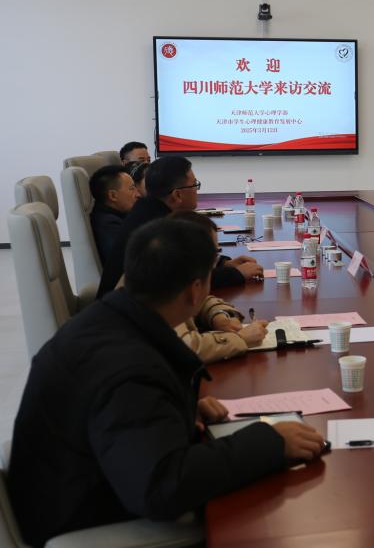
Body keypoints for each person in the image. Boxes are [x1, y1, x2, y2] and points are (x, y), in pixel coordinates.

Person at [8, 219, 326, 547]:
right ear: (196, 290)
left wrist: (178, 405)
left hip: (76, 488)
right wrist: (271, 441)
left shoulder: (107, 319)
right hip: (85, 520)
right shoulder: (130, 371)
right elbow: (161, 487)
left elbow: (122, 422)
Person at [97, 156, 261, 298]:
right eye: (194, 185)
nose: (196, 190)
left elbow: (188, 263)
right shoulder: (160, 228)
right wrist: (237, 274)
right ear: (177, 195)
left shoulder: (148, 211)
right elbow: (185, 279)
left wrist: (223, 264)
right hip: (125, 317)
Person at [168, 211, 269, 359]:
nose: (215, 263)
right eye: (213, 254)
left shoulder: (172, 274)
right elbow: (187, 349)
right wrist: (240, 338)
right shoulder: (160, 291)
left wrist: (217, 315)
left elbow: (200, 300)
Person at [88, 165, 139, 267]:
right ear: (113, 196)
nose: (138, 194)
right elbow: (131, 261)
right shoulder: (108, 225)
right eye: (132, 189)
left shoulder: (117, 214)